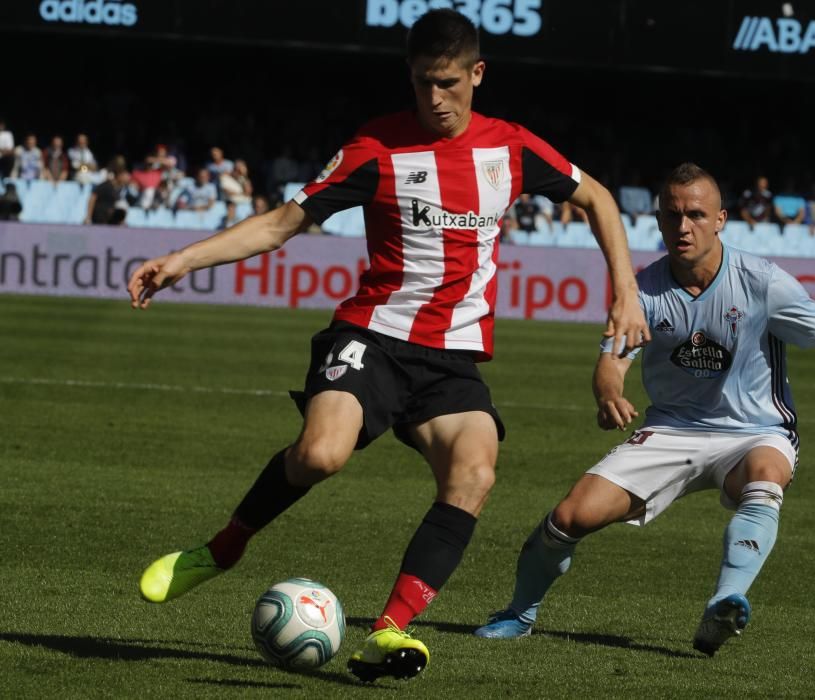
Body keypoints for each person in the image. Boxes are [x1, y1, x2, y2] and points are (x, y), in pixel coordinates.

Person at [127, 9, 648, 684]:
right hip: (372, 336)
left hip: (450, 361)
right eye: (422, 83)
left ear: (476, 75)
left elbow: (599, 199)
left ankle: (390, 629)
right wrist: (181, 260)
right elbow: (282, 224)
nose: (434, 98)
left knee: (476, 471)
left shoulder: (511, 150)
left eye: (447, 83)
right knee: (321, 454)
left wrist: (624, 290)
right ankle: (222, 548)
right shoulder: (376, 148)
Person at [473, 162, 815, 657]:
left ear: (720, 219)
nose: (682, 227)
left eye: (695, 214)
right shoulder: (642, 289)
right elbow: (612, 363)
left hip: (756, 429)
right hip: (672, 429)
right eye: (671, 216)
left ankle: (724, 604)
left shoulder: (762, 281)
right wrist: (607, 393)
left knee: (765, 476)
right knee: (569, 517)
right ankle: (519, 614)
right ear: (659, 220)